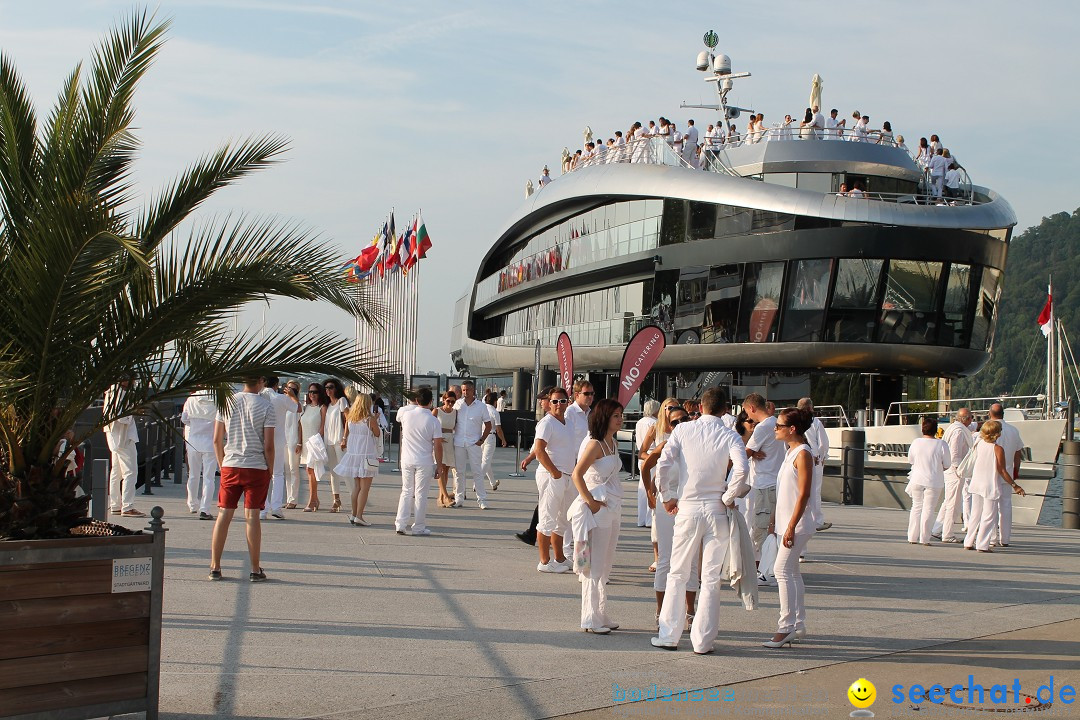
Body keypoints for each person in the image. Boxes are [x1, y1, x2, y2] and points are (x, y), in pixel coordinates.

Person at [650, 387, 749, 654]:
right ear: (725, 409)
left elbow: (663, 463)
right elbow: (742, 469)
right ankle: (703, 641)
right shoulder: (730, 435)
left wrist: (667, 495)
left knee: (678, 572)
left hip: (689, 508)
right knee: (710, 577)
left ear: (701, 407)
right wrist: (728, 495)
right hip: (716, 508)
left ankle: (669, 635)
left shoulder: (683, 430)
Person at [762, 407, 821, 648]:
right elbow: (786, 492)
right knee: (792, 572)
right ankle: (797, 623)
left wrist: (790, 526)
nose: (775, 429)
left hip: (796, 524)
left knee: (782, 571)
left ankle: (785, 626)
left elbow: (803, 494)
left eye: (779, 426)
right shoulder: (791, 451)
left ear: (792, 429)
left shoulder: (803, 454)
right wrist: (776, 520)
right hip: (787, 522)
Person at [209, 377, 275, 582]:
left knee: (224, 515)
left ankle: (215, 566)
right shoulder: (266, 406)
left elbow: (216, 439)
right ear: (262, 381)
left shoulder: (227, 402)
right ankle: (255, 569)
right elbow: (269, 445)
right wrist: (269, 469)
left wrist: (222, 464)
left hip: (230, 463)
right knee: (252, 516)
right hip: (255, 465)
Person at [570, 398, 626, 633]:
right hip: (598, 506)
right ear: (604, 417)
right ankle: (590, 619)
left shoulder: (611, 442)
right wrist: (590, 502)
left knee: (606, 564)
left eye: (620, 415)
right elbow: (576, 474)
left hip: (612, 505)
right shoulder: (594, 444)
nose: (620, 419)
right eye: (616, 415)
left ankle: (600, 614)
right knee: (595, 565)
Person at [641, 405, 699, 628]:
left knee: (691, 559)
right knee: (665, 558)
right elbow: (646, 467)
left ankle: (690, 612)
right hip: (667, 507)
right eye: (675, 422)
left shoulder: (695, 445)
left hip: (691, 506)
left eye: (685, 419)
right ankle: (661, 611)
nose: (681, 424)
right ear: (668, 424)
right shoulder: (666, 445)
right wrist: (650, 493)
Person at [533, 387, 575, 573]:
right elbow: (539, 450)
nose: (559, 405)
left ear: (568, 402)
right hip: (552, 476)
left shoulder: (568, 421)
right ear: (549, 404)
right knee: (547, 517)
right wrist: (555, 473)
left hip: (567, 475)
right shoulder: (546, 423)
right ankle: (544, 561)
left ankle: (559, 558)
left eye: (562, 401)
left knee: (562, 519)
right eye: (555, 401)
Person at [964, 421, 1024, 552]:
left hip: (977, 481)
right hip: (989, 483)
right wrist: (1015, 485)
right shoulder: (997, 449)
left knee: (975, 513)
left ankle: (968, 541)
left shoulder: (979, 443)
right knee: (988, 515)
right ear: (997, 434)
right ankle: (982, 544)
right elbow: (1002, 470)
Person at [638, 398, 683, 569]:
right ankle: (658, 558)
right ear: (663, 409)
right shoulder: (655, 429)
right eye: (670, 407)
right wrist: (656, 458)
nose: (673, 410)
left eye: (676, 407)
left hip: (680, 478)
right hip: (660, 474)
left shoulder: (681, 429)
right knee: (657, 521)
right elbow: (642, 453)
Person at [743, 393, 784, 569]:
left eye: (747, 412)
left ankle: (766, 568)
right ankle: (768, 566)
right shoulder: (776, 423)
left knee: (761, 528)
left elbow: (746, 452)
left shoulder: (761, 428)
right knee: (772, 527)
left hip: (764, 482)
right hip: (776, 481)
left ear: (752, 408)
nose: (748, 417)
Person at [395, 388, 443, 536]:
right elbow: (438, 445)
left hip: (407, 459)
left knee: (406, 491)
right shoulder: (434, 421)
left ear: (417, 400)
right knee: (421, 493)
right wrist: (439, 465)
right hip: (424, 460)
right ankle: (418, 527)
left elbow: (400, 416)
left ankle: (400, 524)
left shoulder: (406, 415)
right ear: (431, 402)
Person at [335, 393, 380, 526]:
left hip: (354, 454)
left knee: (356, 487)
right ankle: (359, 515)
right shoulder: (369, 419)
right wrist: (376, 419)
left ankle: (354, 514)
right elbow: (377, 433)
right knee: (365, 488)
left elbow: (347, 433)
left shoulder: (351, 418)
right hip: (366, 455)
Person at [905, 416, 949, 545]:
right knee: (929, 509)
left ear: (923, 429)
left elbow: (911, 460)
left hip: (917, 479)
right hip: (934, 480)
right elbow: (947, 464)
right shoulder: (941, 444)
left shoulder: (916, 442)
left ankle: (912, 537)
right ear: (935, 430)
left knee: (916, 507)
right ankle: (924, 538)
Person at [260, 376, 299, 520]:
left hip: (261, 439)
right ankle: (276, 507)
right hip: (278, 439)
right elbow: (297, 408)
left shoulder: (259, 397)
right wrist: (293, 395)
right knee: (278, 474)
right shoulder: (281, 398)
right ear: (276, 385)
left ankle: (263, 508)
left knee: (263, 474)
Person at [104, 379, 144, 517]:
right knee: (130, 472)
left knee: (116, 472)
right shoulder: (120, 394)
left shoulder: (111, 392)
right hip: (124, 437)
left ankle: (115, 505)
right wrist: (134, 410)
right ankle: (127, 506)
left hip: (114, 437)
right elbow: (121, 417)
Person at [934, 407, 974, 542]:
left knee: (948, 501)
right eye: (971, 418)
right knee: (954, 504)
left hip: (950, 470)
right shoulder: (959, 431)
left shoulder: (954, 427)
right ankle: (948, 534)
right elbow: (955, 452)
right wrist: (958, 470)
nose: (972, 421)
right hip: (955, 470)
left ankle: (936, 529)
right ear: (967, 419)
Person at [988, 403, 1024, 546]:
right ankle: (1005, 539)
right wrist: (1016, 470)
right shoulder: (1013, 431)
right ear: (1003, 413)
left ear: (990, 413)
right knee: (1006, 506)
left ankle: (992, 537)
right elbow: (1018, 452)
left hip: (990, 473)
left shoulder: (987, 430)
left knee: (990, 507)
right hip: (1007, 473)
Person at [452, 380, 492, 509]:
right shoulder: (457, 404)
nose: (465, 392)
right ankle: (459, 498)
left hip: (474, 442)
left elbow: (488, 425)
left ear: (473, 390)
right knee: (459, 472)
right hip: (459, 441)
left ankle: (482, 499)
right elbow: (449, 417)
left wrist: (481, 439)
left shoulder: (481, 406)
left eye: (467, 390)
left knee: (477, 471)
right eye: (463, 390)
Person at [181, 389, 218, 520]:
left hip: (193, 441)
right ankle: (205, 509)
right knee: (209, 477)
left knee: (193, 474)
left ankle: (192, 504)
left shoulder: (191, 399)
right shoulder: (218, 400)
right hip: (210, 442)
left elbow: (184, 419)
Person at [798, 398, 830, 535]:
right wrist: (822, 457)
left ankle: (802, 519)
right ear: (811, 408)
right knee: (815, 491)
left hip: (796, 457)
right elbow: (823, 443)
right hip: (814, 458)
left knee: (798, 490)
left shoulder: (794, 420)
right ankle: (817, 521)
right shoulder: (815, 422)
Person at [322, 379, 350, 513]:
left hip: (339, 441)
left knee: (345, 470)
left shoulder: (341, 401)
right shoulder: (327, 405)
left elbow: (348, 419)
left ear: (336, 388)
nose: (328, 390)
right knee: (333, 472)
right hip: (329, 441)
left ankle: (353, 495)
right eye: (326, 388)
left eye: (331, 387)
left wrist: (345, 438)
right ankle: (336, 499)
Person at [300, 382, 329, 512]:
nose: (312, 394)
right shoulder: (306, 408)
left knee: (311, 471)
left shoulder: (322, 407)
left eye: (315, 392)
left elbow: (323, 427)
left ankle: (311, 501)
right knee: (309, 472)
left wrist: (317, 441)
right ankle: (315, 499)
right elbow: (300, 425)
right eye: (310, 392)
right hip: (305, 442)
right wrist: (299, 443)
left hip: (315, 443)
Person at [634, 400, 660, 528]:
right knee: (652, 487)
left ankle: (641, 518)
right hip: (652, 455)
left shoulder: (640, 422)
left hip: (641, 456)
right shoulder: (655, 423)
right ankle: (650, 519)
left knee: (642, 489)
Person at [433, 391, 458, 508]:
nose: (451, 404)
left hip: (450, 440)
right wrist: (436, 437)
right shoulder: (437, 411)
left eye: (453, 401)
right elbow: (429, 425)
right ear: (444, 400)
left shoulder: (455, 412)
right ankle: (446, 496)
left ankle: (441, 497)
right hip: (439, 441)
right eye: (448, 401)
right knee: (441, 469)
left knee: (446, 469)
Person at [282, 381, 303, 509]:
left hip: (294, 440)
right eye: (289, 388)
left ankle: (294, 499)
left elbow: (300, 425)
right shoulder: (283, 402)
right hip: (284, 440)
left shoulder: (298, 405)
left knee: (293, 469)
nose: (290, 391)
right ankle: (289, 497)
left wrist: (300, 442)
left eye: (293, 389)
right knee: (286, 471)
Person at [482, 391, 507, 492]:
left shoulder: (482, 409)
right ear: (495, 401)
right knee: (485, 461)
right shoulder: (494, 412)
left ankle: (493, 482)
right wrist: (503, 440)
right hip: (490, 436)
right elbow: (498, 429)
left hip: (480, 436)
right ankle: (477, 482)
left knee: (486, 461)